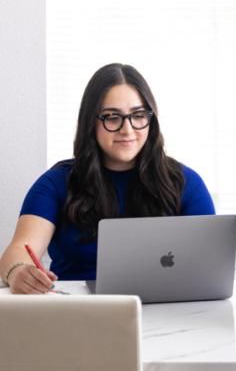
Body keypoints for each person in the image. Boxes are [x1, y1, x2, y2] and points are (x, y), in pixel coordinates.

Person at [0, 63, 215, 294]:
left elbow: (211, 266)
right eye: (112, 118)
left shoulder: (185, 182)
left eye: (138, 115)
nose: (127, 129)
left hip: (171, 312)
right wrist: (18, 271)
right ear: (90, 122)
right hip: (79, 315)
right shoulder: (56, 183)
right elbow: (18, 252)